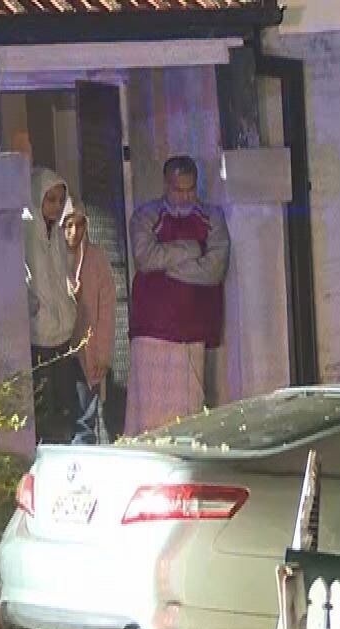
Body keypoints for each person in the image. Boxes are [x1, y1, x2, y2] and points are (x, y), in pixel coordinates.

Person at [127, 155, 229, 434]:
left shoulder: (213, 217)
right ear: (165, 185)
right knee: (148, 418)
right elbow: (146, 258)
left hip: (193, 329)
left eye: (190, 189)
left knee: (188, 416)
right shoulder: (146, 216)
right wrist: (192, 250)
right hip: (151, 330)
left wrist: (169, 268)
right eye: (177, 190)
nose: (184, 197)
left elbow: (213, 270)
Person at [25, 166, 83, 443]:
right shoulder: (25, 232)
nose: (57, 207)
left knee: (65, 409)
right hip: (38, 337)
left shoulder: (58, 234)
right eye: (51, 199)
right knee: (43, 412)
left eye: (61, 200)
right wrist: (31, 306)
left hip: (62, 335)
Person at [64, 208, 116, 443]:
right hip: (54, 348)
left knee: (85, 423)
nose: (74, 233)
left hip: (87, 351)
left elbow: (106, 310)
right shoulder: (51, 257)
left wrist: (103, 354)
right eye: (68, 226)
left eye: (80, 225)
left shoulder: (96, 259)